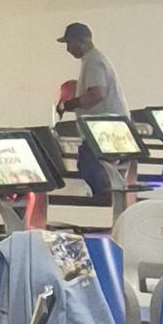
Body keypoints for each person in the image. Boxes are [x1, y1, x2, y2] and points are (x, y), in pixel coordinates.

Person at [59, 16, 126, 198]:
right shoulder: (95, 59)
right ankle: (106, 206)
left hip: (103, 130)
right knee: (96, 171)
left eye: (69, 43)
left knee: (92, 170)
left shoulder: (93, 61)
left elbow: (97, 94)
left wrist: (68, 104)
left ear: (81, 41)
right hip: (110, 129)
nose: (67, 49)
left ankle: (102, 208)